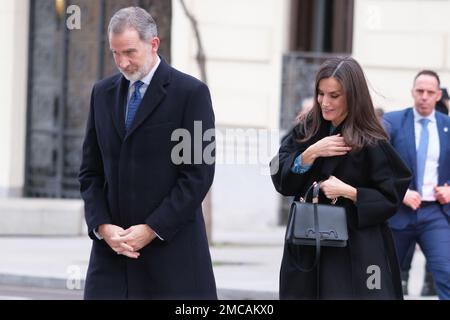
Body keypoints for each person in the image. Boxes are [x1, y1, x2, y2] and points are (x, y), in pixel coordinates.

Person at [78, 7, 216, 299]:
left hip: (170, 259)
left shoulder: (191, 94)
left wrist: (152, 228)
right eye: (115, 53)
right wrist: (102, 227)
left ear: (153, 44)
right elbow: (90, 172)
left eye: (129, 52)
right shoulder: (101, 93)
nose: (122, 62)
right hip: (111, 260)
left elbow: (197, 176)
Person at [270, 57, 412, 299]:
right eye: (321, 94)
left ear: (352, 95)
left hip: (355, 248)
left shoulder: (371, 140)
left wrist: (349, 191)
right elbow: (278, 173)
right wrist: (309, 154)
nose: (325, 102)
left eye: (334, 96)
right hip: (308, 242)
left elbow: (392, 194)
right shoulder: (307, 129)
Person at [383, 70, 450, 300]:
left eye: (430, 92)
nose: (424, 96)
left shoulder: (447, 126)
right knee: (383, 278)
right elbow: (377, 163)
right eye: (420, 91)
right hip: (399, 212)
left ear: (438, 95)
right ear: (412, 92)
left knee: (446, 273)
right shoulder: (392, 122)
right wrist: (399, 192)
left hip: (434, 213)